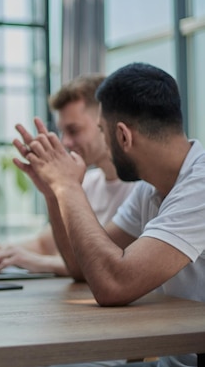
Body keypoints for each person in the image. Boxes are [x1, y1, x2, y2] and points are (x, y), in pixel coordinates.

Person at [16, 63, 205, 367]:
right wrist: (54, 193)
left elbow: (113, 285)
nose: (103, 142)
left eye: (102, 131)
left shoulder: (201, 186)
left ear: (123, 136)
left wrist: (68, 186)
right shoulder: (150, 187)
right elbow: (82, 267)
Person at [0, 75, 135, 276]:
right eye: (63, 132)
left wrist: (36, 261)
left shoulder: (140, 188)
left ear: (103, 122)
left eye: (74, 130)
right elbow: (44, 244)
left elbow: (101, 262)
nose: (66, 142)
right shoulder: (88, 182)